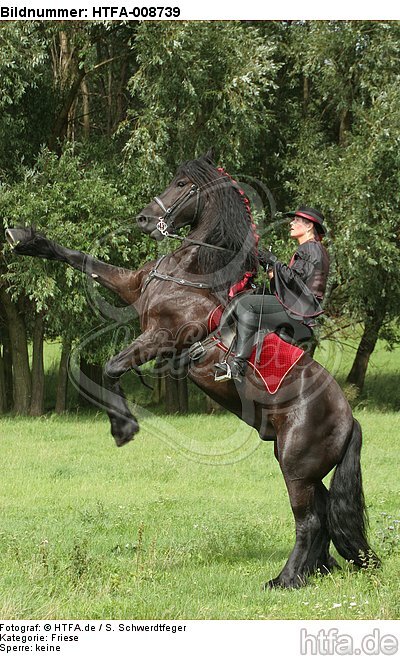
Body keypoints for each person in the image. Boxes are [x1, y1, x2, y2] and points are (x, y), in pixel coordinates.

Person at [214, 206, 330, 382]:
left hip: (300, 314)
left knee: (247, 304)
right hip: (300, 311)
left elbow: (295, 282)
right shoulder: (312, 249)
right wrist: (268, 265)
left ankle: (238, 365)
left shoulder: (310, 248)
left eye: (296, 220)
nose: (291, 223)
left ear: (309, 226)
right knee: (250, 300)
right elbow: (287, 283)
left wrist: (274, 262)